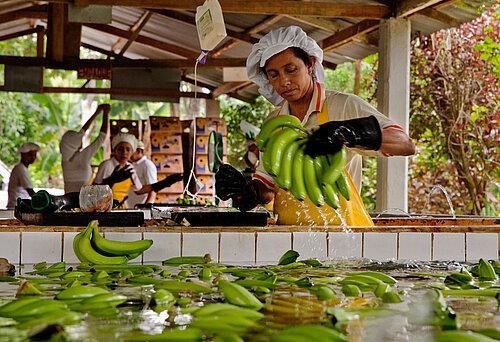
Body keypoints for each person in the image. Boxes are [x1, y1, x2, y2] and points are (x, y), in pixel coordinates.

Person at [215, 26, 416, 226]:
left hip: (344, 237)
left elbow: (405, 144)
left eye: (291, 70)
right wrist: (247, 190)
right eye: (274, 74)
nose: (284, 81)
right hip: (288, 238)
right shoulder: (273, 123)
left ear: (310, 64)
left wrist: (349, 132)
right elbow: (269, 188)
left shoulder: (343, 105)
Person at [93, 133, 183, 208]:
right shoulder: (107, 165)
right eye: (120, 149)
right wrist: (111, 180)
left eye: (128, 149)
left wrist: (164, 183)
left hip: (121, 207)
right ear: (115, 150)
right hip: (103, 207)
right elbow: (94, 189)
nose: (124, 152)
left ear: (132, 152)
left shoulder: (130, 167)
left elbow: (139, 190)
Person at [59, 103, 110, 193]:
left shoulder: (65, 158)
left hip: (68, 199)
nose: (81, 141)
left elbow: (82, 131)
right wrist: (105, 114)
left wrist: (96, 113)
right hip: (81, 201)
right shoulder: (82, 157)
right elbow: (101, 137)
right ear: (74, 144)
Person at [7, 142, 40, 209]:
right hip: (16, 207)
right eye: (30, 155)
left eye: (34, 155)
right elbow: (30, 192)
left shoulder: (21, 168)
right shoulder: (21, 169)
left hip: (18, 206)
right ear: (22, 155)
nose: (33, 157)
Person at [126, 141, 158, 208]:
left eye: (130, 151)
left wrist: (145, 208)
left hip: (142, 208)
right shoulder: (133, 165)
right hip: (132, 207)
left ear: (139, 151)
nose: (127, 153)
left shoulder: (147, 165)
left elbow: (154, 189)